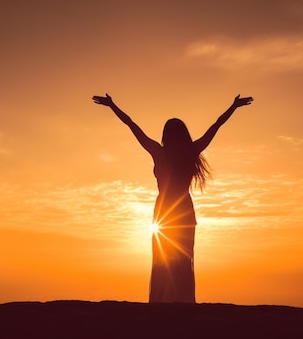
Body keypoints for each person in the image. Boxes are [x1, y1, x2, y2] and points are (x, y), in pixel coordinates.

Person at [92, 93, 253, 303]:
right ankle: (181, 299)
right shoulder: (190, 151)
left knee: (165, 259)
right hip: (183, 210)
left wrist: (112, 105)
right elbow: (216, 126)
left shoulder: (159, 152)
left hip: (165, 211)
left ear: (165, 136)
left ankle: (163, 300)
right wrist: (233, 106)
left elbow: (132, 126)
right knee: (182, 259)